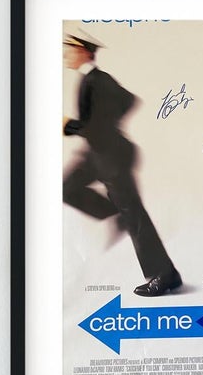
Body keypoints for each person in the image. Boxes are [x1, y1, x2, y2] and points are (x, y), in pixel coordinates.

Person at [61, 33, 182, 297]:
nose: (64, 55)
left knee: (134, 215)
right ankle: (115, 215)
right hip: (96, 155)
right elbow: (121, 106)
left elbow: (123, 105)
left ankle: (163, 275)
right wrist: (102, 127)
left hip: (112, 157)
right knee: (67, 188)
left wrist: (71, 125)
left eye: (68, 49)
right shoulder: (88, 79)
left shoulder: (98, 79)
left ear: (83, 50)